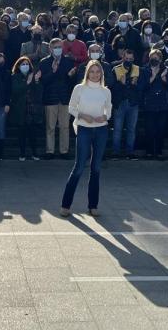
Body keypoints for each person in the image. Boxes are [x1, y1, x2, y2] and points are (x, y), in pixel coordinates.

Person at [60, 60, 112, 218]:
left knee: (96, 168)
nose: (95, 74)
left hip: (101, 130)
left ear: (101, 74)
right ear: (87, 72)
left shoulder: (106, 91)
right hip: (84, 129)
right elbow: (71, 107)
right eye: (92, 71)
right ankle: (66, 205)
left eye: (98, 72)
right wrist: (83, 116)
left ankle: (93, 206)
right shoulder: (79, 88)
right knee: (79, 167)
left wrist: (104, 116)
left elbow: (108, 110)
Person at [39, 38, 75, 159]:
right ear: (50, 49)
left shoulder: (69, 61)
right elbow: (43, 81)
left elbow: (72, 81)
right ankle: (50, 151)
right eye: (55, 47)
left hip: (65, 98)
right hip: (50, 98)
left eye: (60, 47)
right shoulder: (44, 62)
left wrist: (70, 76)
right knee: (50, 126)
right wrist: (53, 71)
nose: (58, 49)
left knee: (65, 126)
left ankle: (64, 151)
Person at [110, 48, 144, 159]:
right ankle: (115, 152)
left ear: (133, 59)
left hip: (133, 103)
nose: (128, 60)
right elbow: (112, 87)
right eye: (126, 58)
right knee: (117, 129)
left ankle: (130, 152)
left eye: (130, 58)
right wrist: (122, 84)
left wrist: (134, 84)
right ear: (123, 58)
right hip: (120, 103)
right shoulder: (116, 69)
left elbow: (142, 87)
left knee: (131, 129)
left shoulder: (138, 69)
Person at [141, 50, 168, 160]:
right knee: (149, 129)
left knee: (160, 129)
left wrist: (164, 79)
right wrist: (153, 76)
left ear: (160, 59)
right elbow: (142, 87)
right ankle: (149, 151)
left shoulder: (166, 70)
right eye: (152, 57)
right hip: (149, 103)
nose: (154, 60)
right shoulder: (144, 70)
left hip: (163, 104)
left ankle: (159, 151)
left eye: (156, 58)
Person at [10, 56, 43, 161]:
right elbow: (15, 91)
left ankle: (34, 153)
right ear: (18, 66)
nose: (25, 66)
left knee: (33, 133)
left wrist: (36, 81)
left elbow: (39, 92)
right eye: (23, 64)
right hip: (20, 109)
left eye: (27, 64)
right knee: (21, 133)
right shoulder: (15, 77)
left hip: (32, 108)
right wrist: (27, 83)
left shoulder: (33, 75)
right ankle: (22, 153)